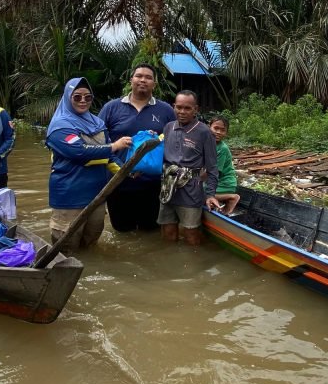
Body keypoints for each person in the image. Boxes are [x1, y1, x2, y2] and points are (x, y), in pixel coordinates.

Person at [45, 77, 132, 249]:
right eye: (77, 97)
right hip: (69, 195)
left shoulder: (97, 122)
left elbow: (109, 158)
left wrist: (126, 170)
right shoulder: (60, 126)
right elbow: (79, 151)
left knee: (91, 242)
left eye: (88, 97)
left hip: (97, 195)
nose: (83, 101)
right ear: (68, 97)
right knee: (67, 247)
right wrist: (114, 146)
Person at [98, 64, 175, 232]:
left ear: (154, 84)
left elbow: (174, 142)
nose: (143, 80)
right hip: (117, 182)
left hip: (153, 184)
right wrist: (121, 168)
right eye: (139, 76)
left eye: (148, 77)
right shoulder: (111, 108)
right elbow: (99, 142)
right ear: (131, 80)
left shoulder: (166, 110)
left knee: (150, 232)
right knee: (122, 231)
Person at [158, 90, 219, 246]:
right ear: (174, 107)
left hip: (191, 189)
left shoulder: (204, 132)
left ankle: (193, 264)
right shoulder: (168, 127)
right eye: (178, 107)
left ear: (196, 109)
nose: (182, 112)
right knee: (167, 230)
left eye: (187, 108)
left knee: (191, 233)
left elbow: (212, 167)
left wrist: (211, 194)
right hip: (168, 187)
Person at [209, 115, 240, 216]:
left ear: (226, 133)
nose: (218, 132)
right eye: (216, 128)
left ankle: (232, 197)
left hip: (225, 183)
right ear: (209, 127)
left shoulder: (222, 148)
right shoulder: (207, 143)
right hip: (217, 181)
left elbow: (215, 172)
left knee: (197, 191)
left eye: (222, 130)